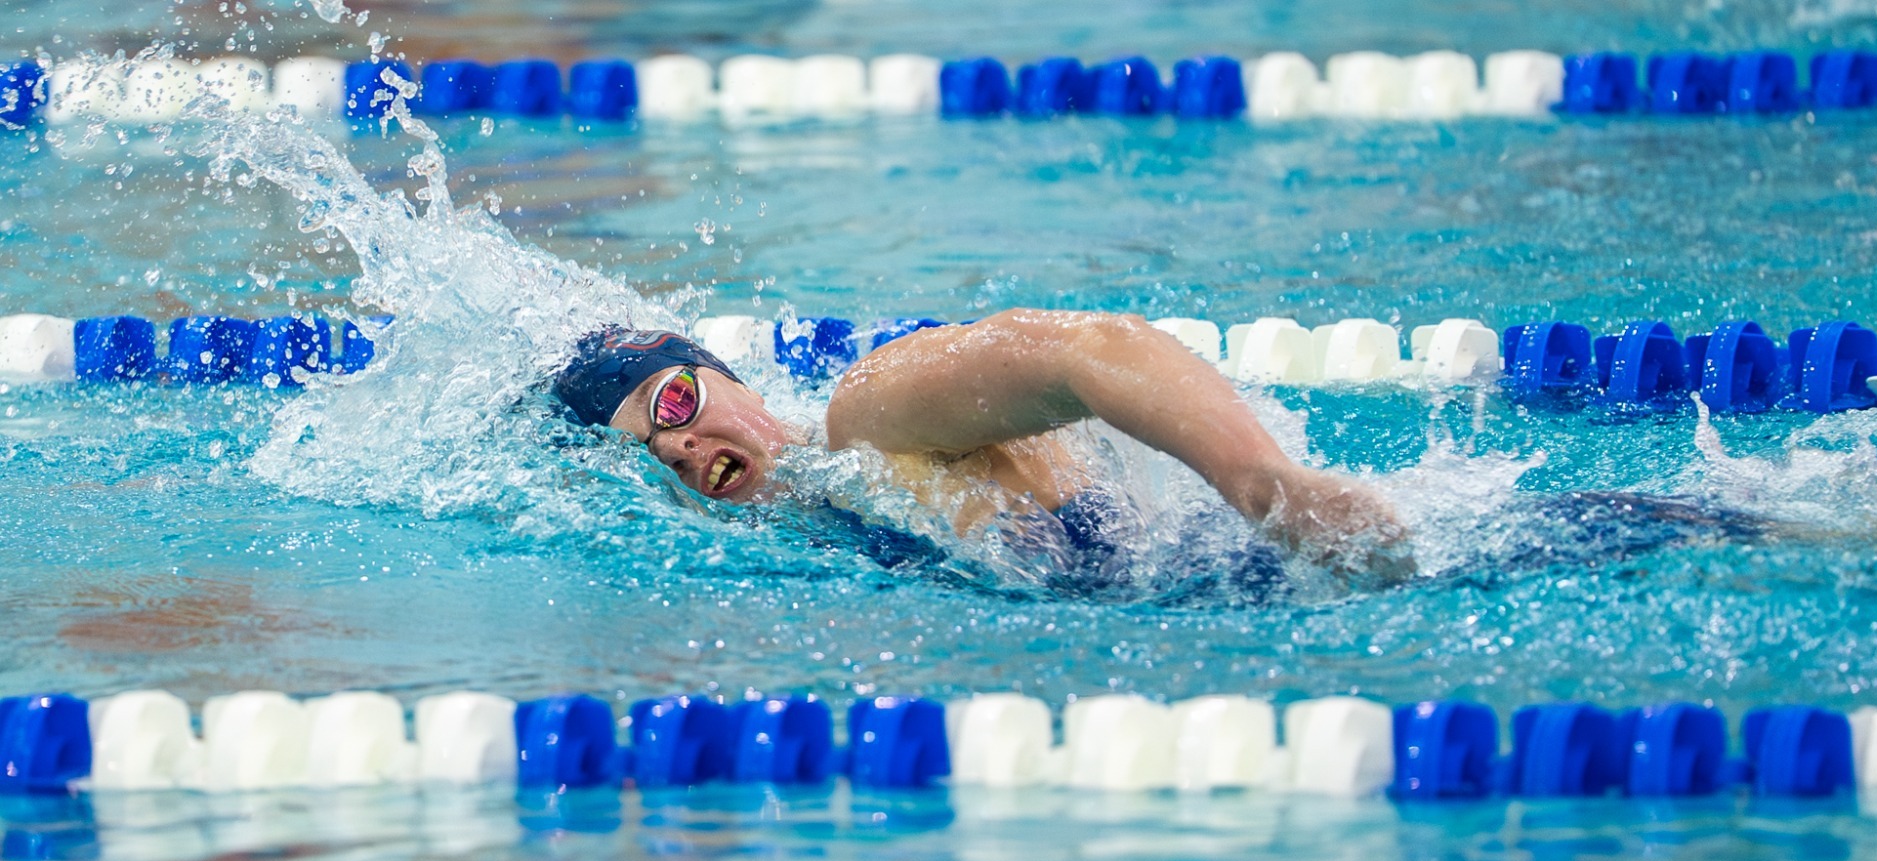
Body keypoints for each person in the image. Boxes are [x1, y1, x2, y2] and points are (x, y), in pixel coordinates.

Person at [554, 307, 1412, 580]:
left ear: (726, 372)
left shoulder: (870, 417)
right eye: (651, 455)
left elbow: (1087, 350)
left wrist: (1264, 483)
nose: (682, 449)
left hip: (1298, 559)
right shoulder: (811, 527)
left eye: (674, 403)